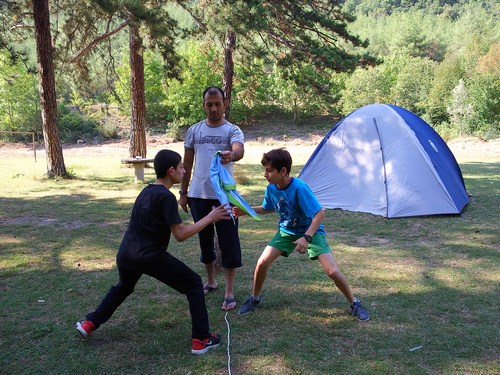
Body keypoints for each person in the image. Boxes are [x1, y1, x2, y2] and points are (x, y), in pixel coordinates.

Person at [76, 149, 231, 355]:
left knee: (123, 286)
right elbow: (180, 234)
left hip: (126, 253)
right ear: (171, 171)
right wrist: (210, 218)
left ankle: (90, 323)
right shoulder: (166, 197)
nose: (185, 171)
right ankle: (201, 340)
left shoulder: (147, 190)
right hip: (148, 256)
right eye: (182, 167)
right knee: (194, 283)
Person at [234, 148, 370, 321]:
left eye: (269, 170)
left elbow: (319, 214)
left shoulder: (299, 188)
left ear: (283, 171)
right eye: (265, 170)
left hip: (310, 231)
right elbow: (268, 208)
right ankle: (255, 298)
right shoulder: (271, 188)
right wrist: (245, 210)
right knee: (262, 263)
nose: (264, 174)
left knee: (332, 271)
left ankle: (354, 303)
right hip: (286, 232)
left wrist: (307, 237)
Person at [180, 86, 244, 311]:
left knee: (229, 242)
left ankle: (229, 290)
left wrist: (232, 155)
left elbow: (239, 150)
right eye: (209, 104)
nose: (214, 108)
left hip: (225, 197)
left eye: (218, 103)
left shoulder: (232, 130)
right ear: (203, 105)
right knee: (204, 240)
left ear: (224, 104)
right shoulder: (194, 131)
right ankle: (211, 280)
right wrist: (183, 192)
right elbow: (186, 165)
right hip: (198, 195)